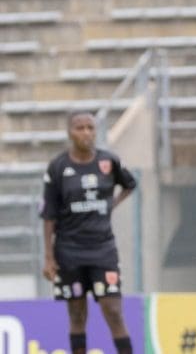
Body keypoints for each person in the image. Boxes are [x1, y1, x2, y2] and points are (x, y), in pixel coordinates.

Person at [40, 112, 136, 354]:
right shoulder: (58, 167)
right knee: (77, 313)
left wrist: (111, 204)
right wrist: (49, 257)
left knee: (113, 311)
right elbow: (49, 215)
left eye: (90, 128)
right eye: (79, 128)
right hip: (69, 250)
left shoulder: (108, 162)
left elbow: (129, 184)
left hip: (103, 249)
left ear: (96, 131)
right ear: (70, 133)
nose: (86, 133)